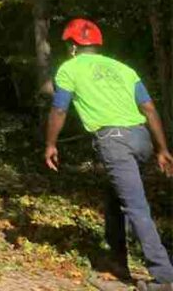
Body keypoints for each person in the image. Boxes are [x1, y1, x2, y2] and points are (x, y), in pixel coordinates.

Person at [44, 18, 173, 291]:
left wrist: (51, 144)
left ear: (73, 46)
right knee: (115, 199)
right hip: (141, 138)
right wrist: (162, 149)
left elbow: (59, 109)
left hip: (114, 141)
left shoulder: (69, 68)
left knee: (135, 206)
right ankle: (117, 263)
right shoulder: (124, 69)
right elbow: (149, 108)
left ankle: (164, 277)